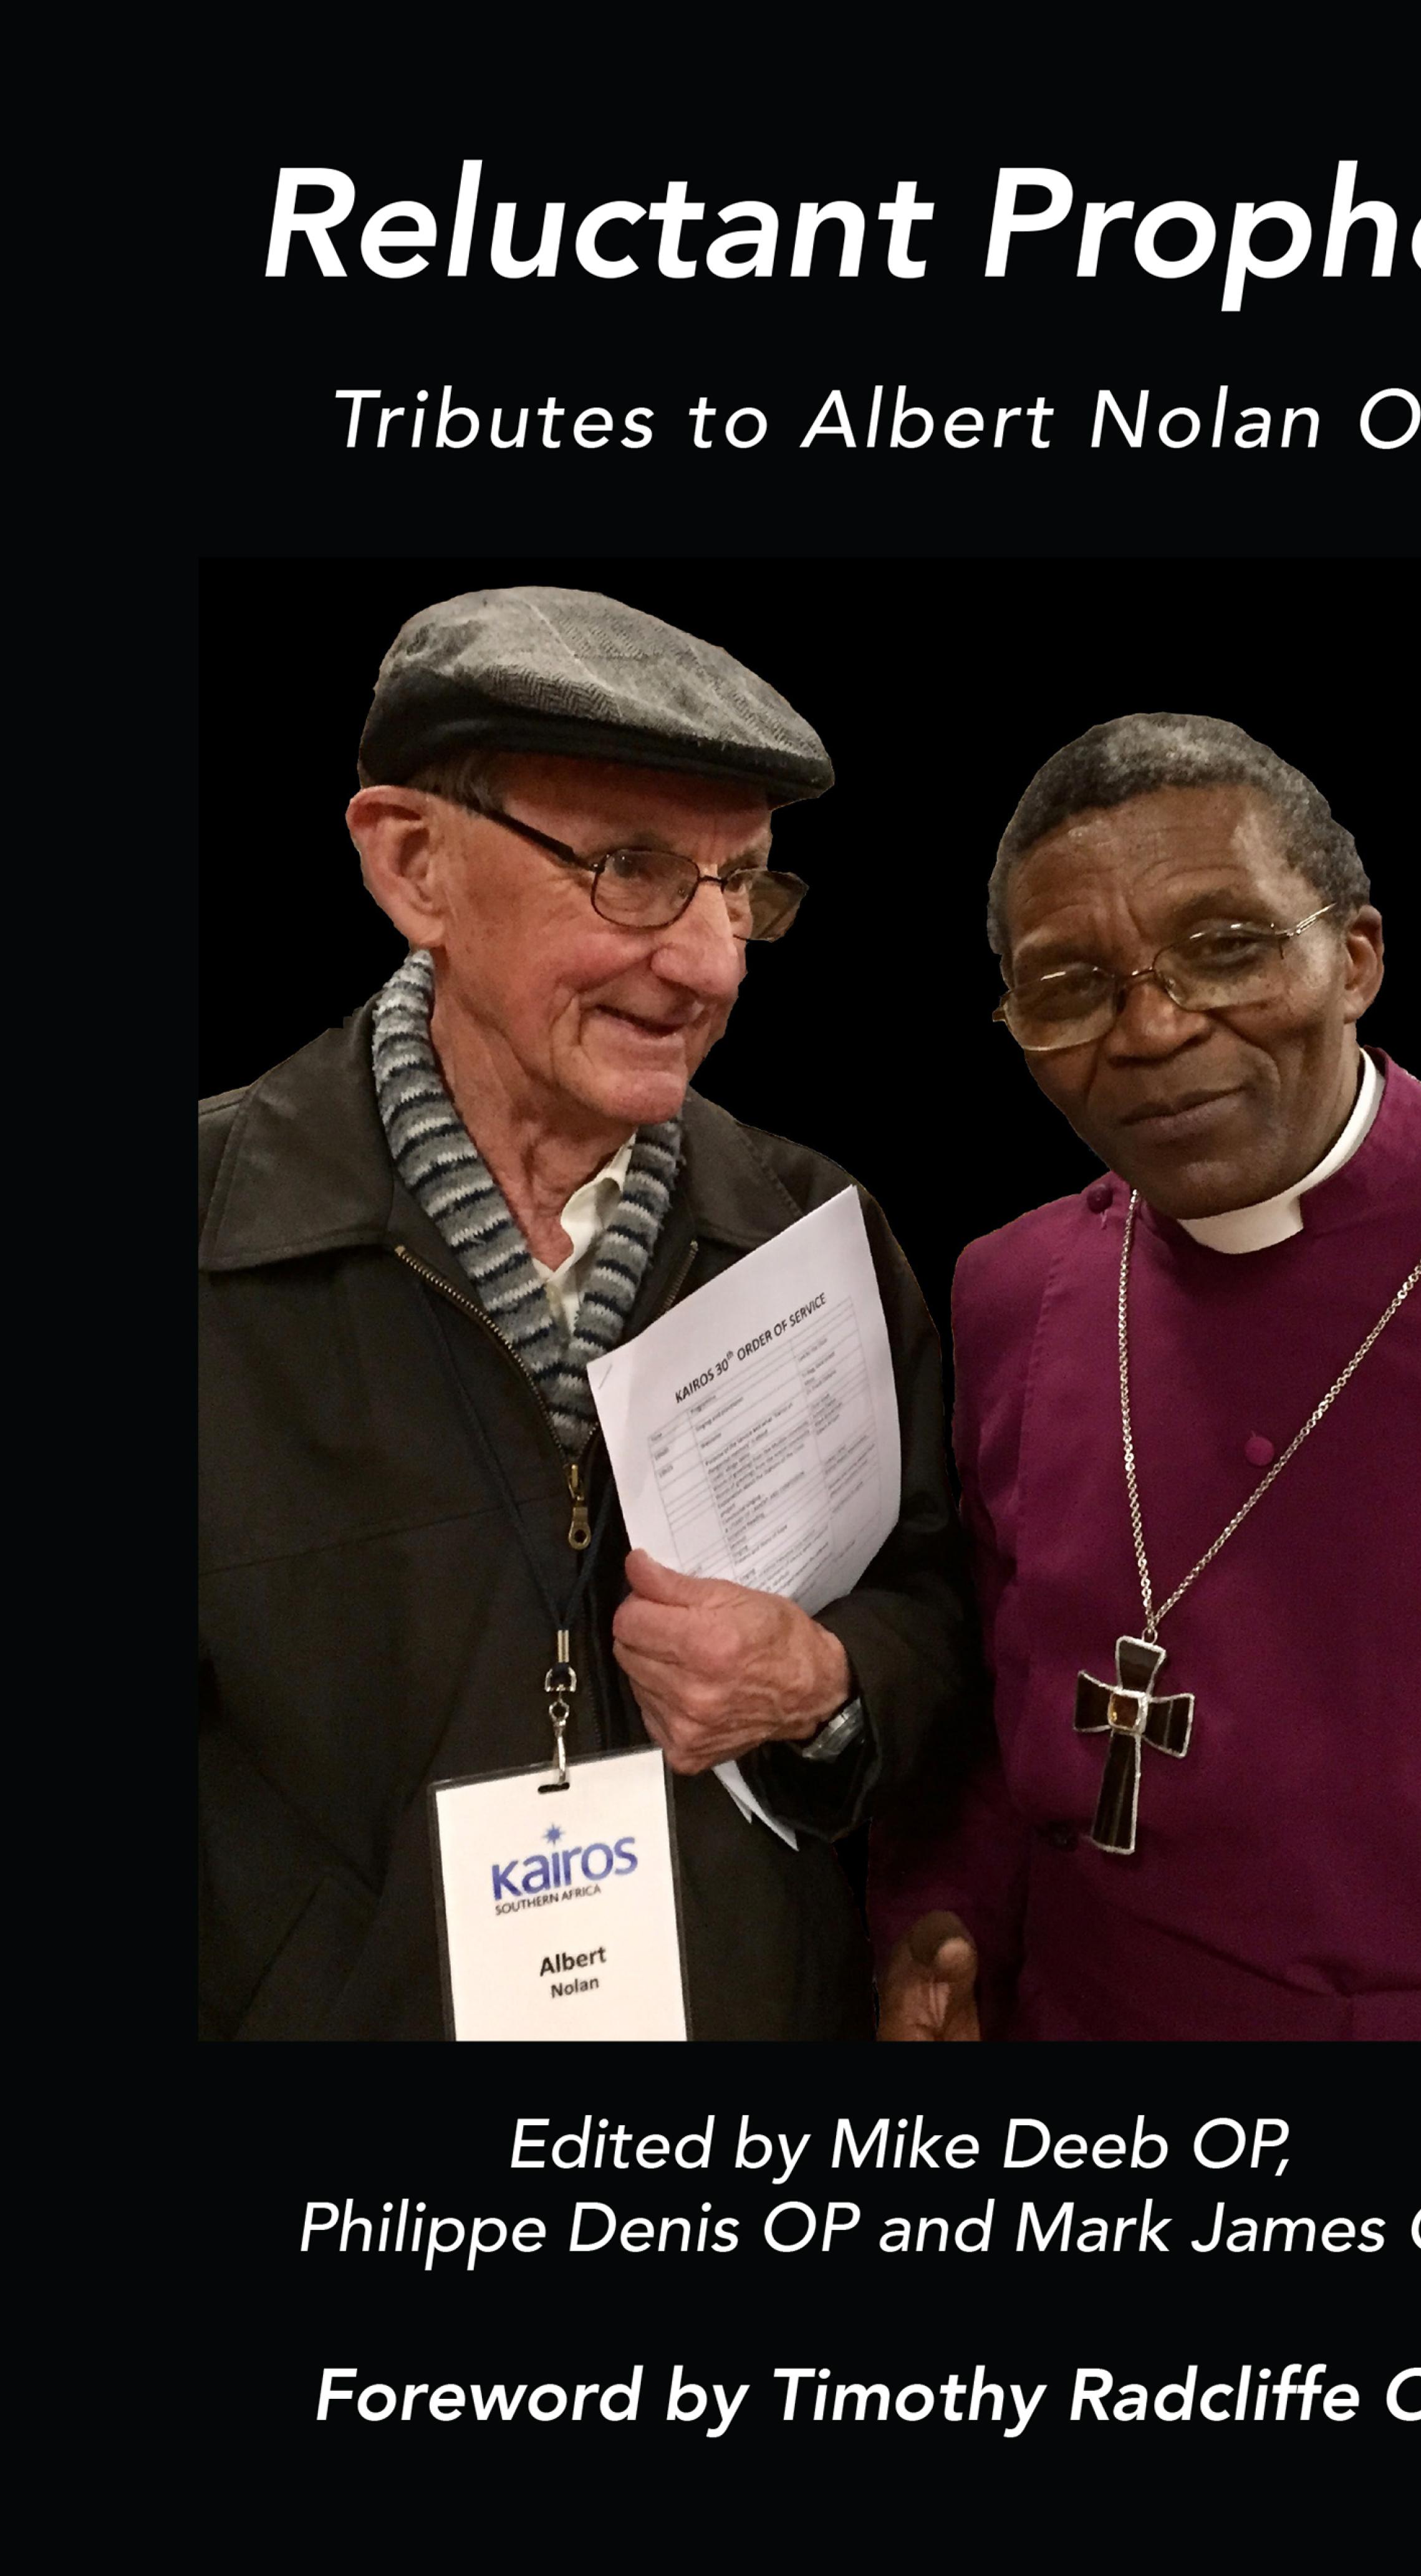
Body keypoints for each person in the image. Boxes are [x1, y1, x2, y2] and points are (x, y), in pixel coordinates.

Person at [199, 584, 976, 2041]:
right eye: (633, 870)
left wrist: (830, 1681)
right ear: (413, 862)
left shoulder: (813, 1227)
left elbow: (936, 1610)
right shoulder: (203, 1233)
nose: (714, 962)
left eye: (741, 885)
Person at [870, 713, 1421, 2042]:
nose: (1153, 1028)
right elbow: (989, 1699)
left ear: (1355, 957)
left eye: (1225, 948)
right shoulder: (1007, 1287)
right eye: (1069, 985)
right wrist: (944, 1915)